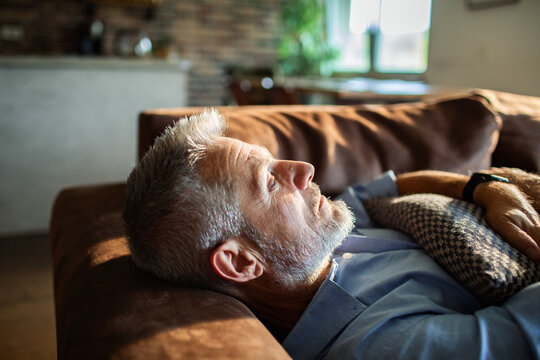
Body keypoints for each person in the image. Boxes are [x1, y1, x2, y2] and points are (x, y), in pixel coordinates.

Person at [123, 109, 540, 359]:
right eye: (270, 181)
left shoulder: (314, 244)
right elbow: (526, 333)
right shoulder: (379, 344)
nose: (303, 170)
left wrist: (485, 188)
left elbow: (395, 185)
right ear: (241, 261)